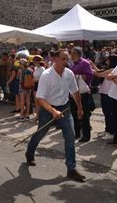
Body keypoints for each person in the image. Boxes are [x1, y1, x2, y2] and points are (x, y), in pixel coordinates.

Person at [26, 49, 85, 182]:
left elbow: (75, 92)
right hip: (48, 109)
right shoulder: (46, 75)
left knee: (70, 136)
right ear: (55, 59)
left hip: (65, 109)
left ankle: (71, 169)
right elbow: (40, 98)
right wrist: (53, 111)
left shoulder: (69, 73)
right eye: (63, 58)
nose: (67, 61)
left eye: (67, 59)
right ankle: (29, 153)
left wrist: (80, 109)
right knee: (40, 133)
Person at [69, 47, 95, 142]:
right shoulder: (73, 64)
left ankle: (86, 135)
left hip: (83, 93)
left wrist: (77, 76)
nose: (70, 55)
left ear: (76, 54)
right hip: (73, 93)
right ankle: (76, 133)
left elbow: (90, 75)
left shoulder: (85, 63)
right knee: (74, 113)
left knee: (84, 115)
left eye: (71, 53)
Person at [90, 55, 117, 138]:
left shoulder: (112, 70)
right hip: (104, 93)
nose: (106, 62)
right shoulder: (109, 69)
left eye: (108, 60)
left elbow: (98, 74)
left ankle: (111, 132)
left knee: (109, 113)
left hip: (108, 95)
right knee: (106, 113)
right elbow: (99, 71)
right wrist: (92, 65)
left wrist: (86, 68)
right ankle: (107, 130)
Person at [32, 55, 46, 122]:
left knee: (39, 101)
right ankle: (37, 115)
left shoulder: (42, 68)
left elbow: (43, 78)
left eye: (35, 61)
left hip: (40, 85)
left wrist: (36, 80)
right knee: (36, 101)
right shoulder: (36, 68)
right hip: (35, 85)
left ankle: (40, 116)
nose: (34, 62)